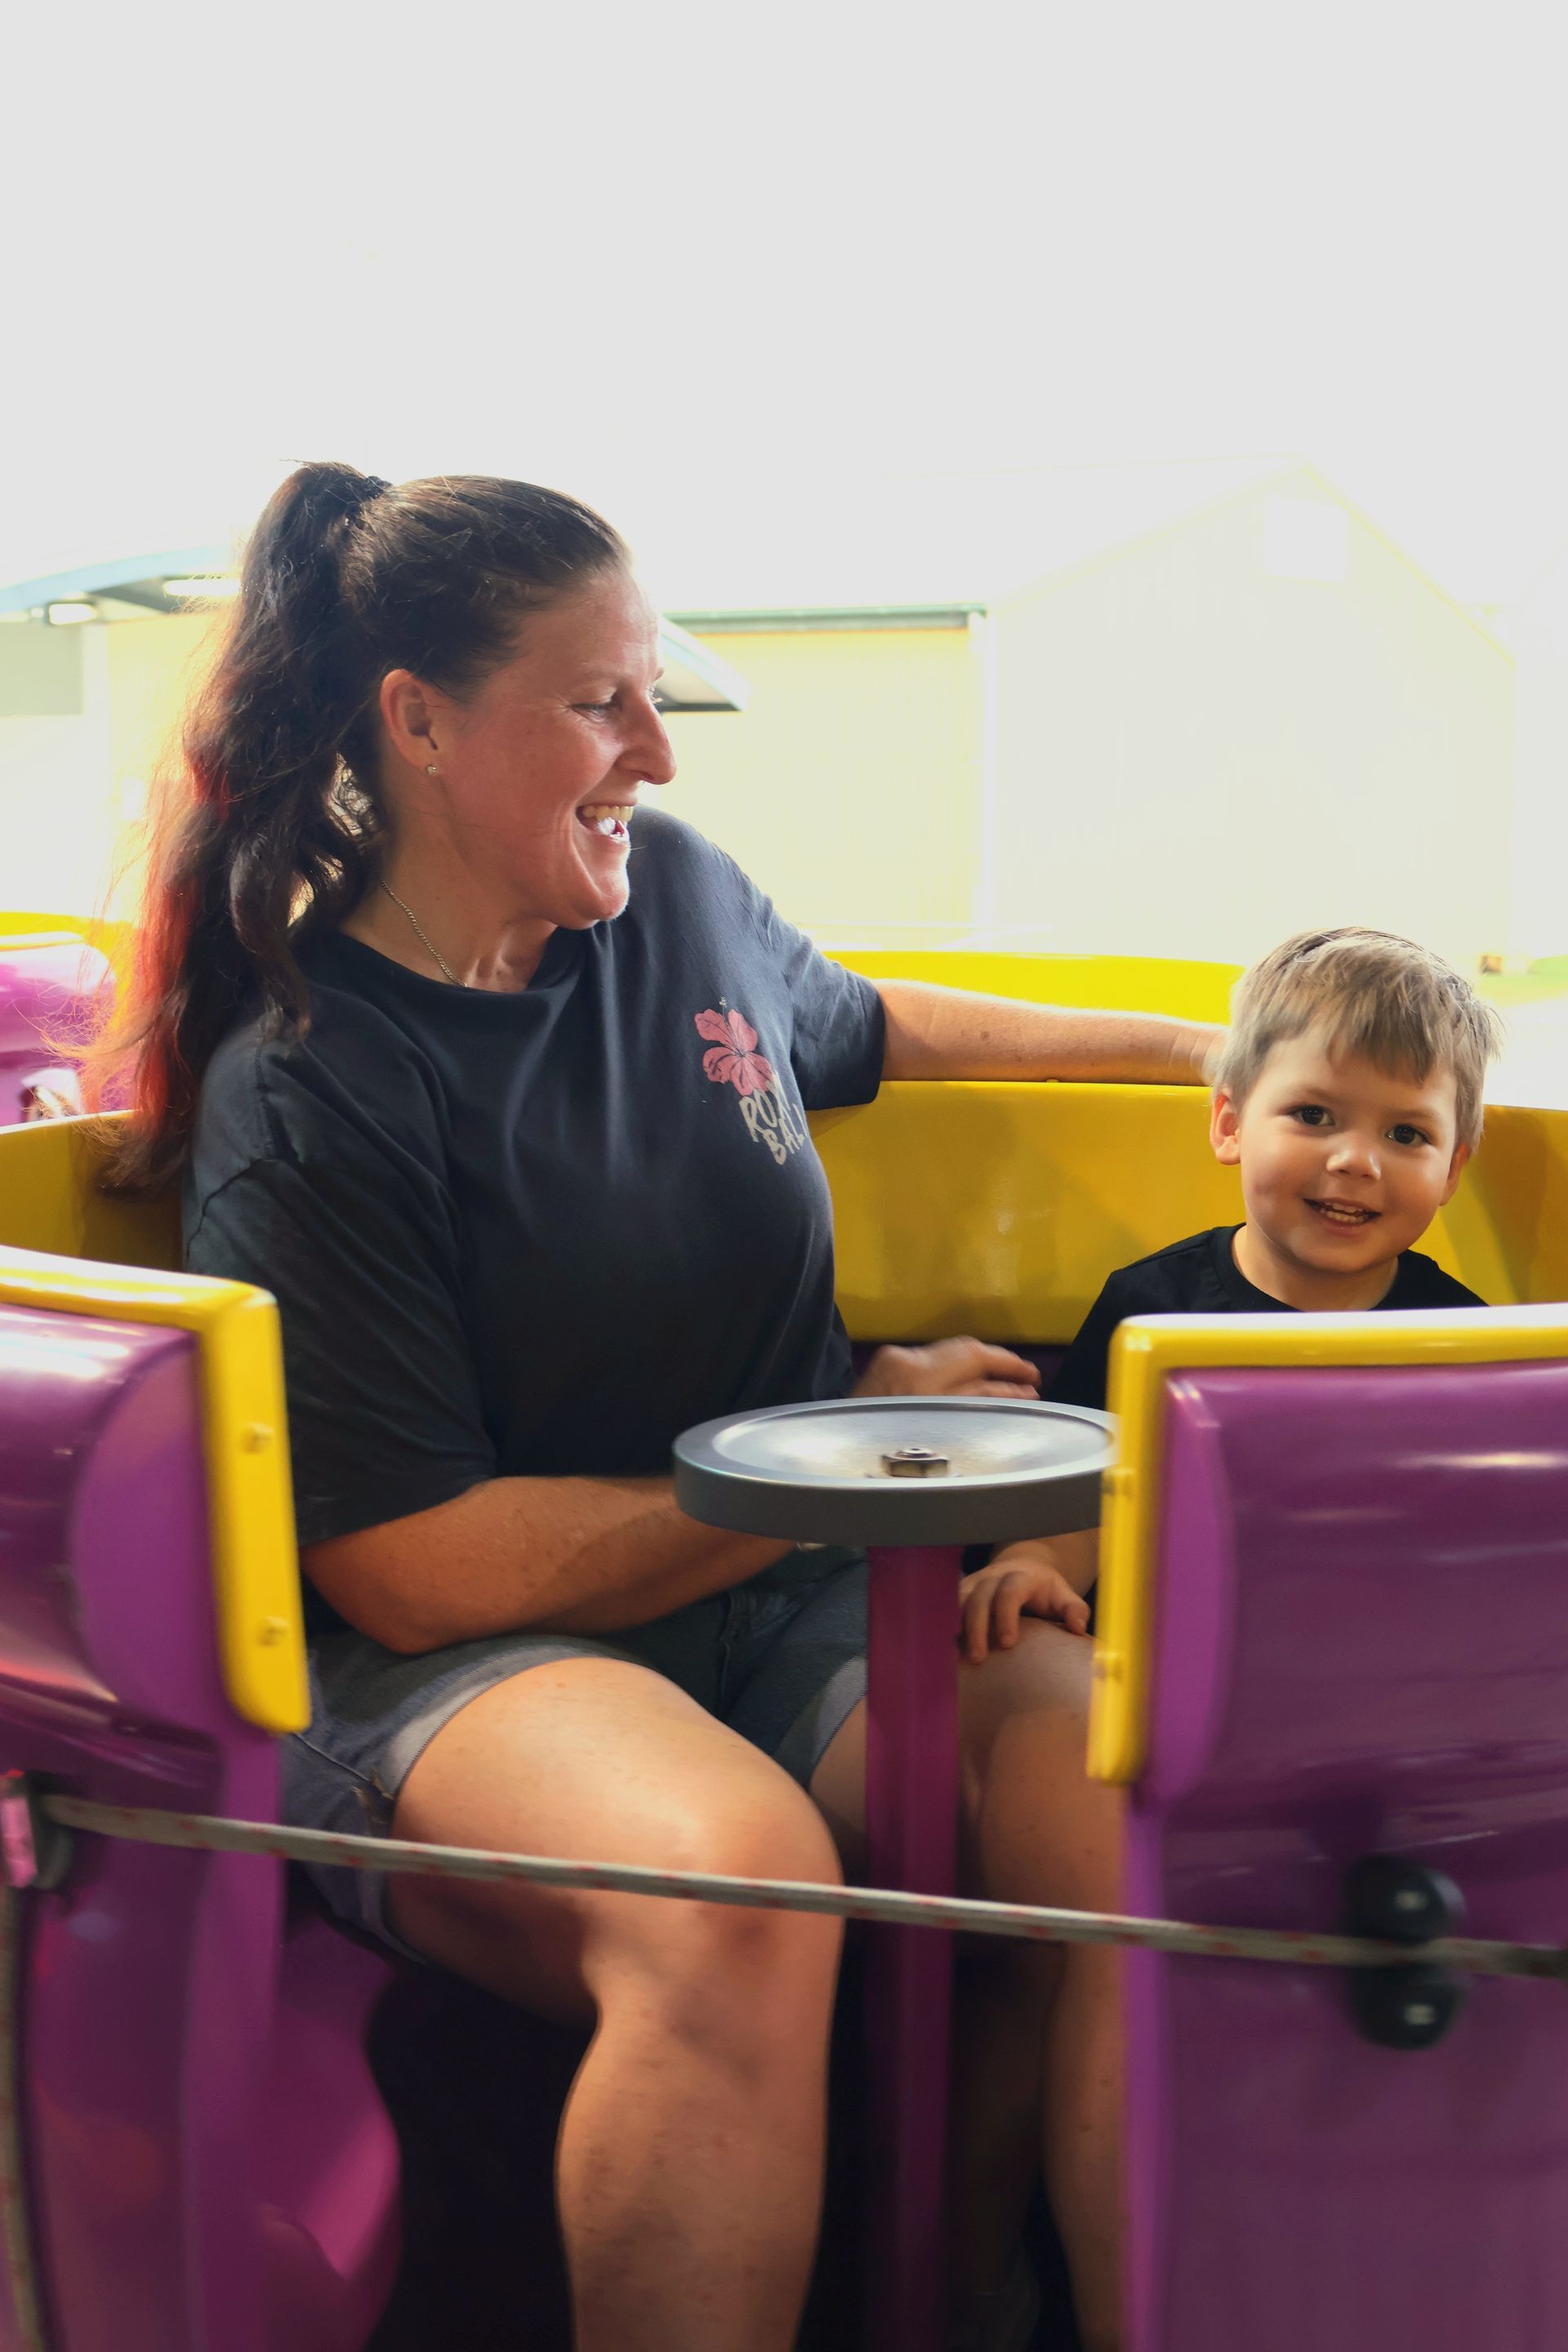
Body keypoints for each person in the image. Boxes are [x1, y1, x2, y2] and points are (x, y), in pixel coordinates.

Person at [102, 462, 1219, 2352]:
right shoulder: (310, 1084)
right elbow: (412, 1570)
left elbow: (865, 1018)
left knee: (1117, 1814)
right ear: (423, 722)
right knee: (737, 1882)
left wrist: (1214, 1040)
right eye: (599, 705)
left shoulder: (675, 902)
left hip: (790, 1588)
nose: (660, 757)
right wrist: (837, 1463)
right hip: (474, 1663)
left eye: (656, 697)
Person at [960, 926, 1501, 1668]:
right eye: (1314, 1115)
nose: (1356, 1161)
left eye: (1407, 1133)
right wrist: (1038, 1566)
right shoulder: (1153, 1307)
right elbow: (1091, 1500)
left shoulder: (1464, 1342)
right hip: (1170, 1671)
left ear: (1451, 1171)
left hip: (1379, 1674)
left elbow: (1482, 1540)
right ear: (1231, 1123)